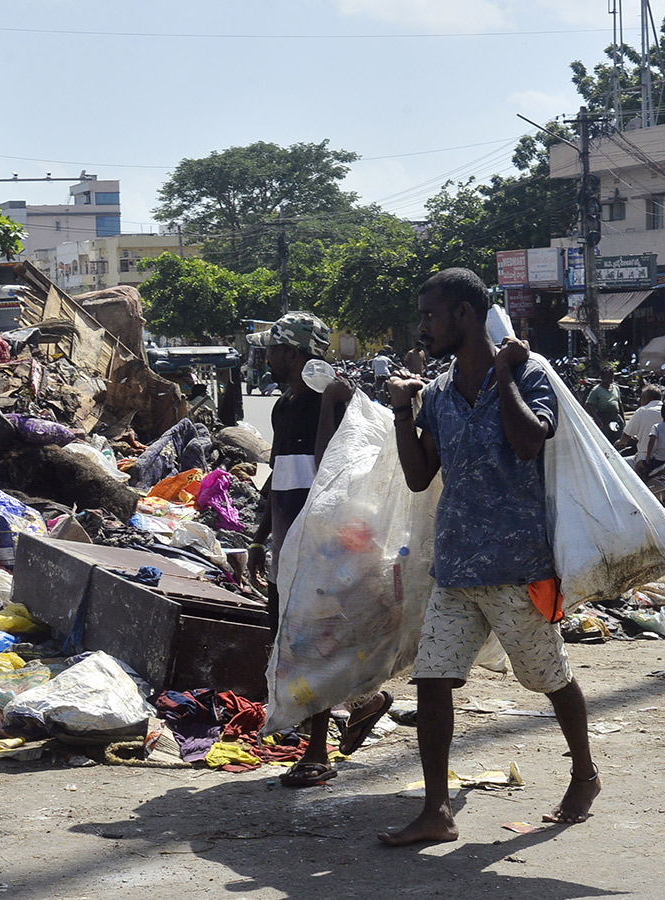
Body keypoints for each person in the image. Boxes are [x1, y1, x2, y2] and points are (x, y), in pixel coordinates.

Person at [381, 267, 599, 846]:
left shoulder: (530, 375)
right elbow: (419, 473)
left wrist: (503, 375)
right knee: (431, 680)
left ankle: (585, 773)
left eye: (430, 315)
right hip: (456, 567)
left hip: (518, 566)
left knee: (549, 677)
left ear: (463, 316)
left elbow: (529, 442)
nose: (421, 327)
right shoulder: (437, 394)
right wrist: (404, 411)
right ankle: (437, 812)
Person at [245, 311, 392, 787]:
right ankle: (365, 703)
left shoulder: (339, 401)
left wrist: (330, 401)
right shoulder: (283, 407)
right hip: (290, 544)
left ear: (294, 353)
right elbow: (280, 478)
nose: (266, 357)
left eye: (273, 349)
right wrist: (259, 537)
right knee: (292, 637)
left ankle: (316, 752)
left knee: (310, 640)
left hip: (327, 546)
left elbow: (333, 464)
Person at [615, 384, 663, 465]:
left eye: (642, 397)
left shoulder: (641, 411)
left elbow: (626, 436)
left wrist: (619, 442)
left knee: (618, 465)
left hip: (646, 457)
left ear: (648, 398)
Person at [584, 368, 624, 444]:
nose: (610, 379)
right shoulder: (596, 390)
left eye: (612, 377)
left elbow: (619, 403)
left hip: (615, 417)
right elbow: (588, 405)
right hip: (603, 418)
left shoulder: (616, 388)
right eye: (608, 377)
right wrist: (597, 419)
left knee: (617, 438)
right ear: (602, 378)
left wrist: (623, 418)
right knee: (606, 440)